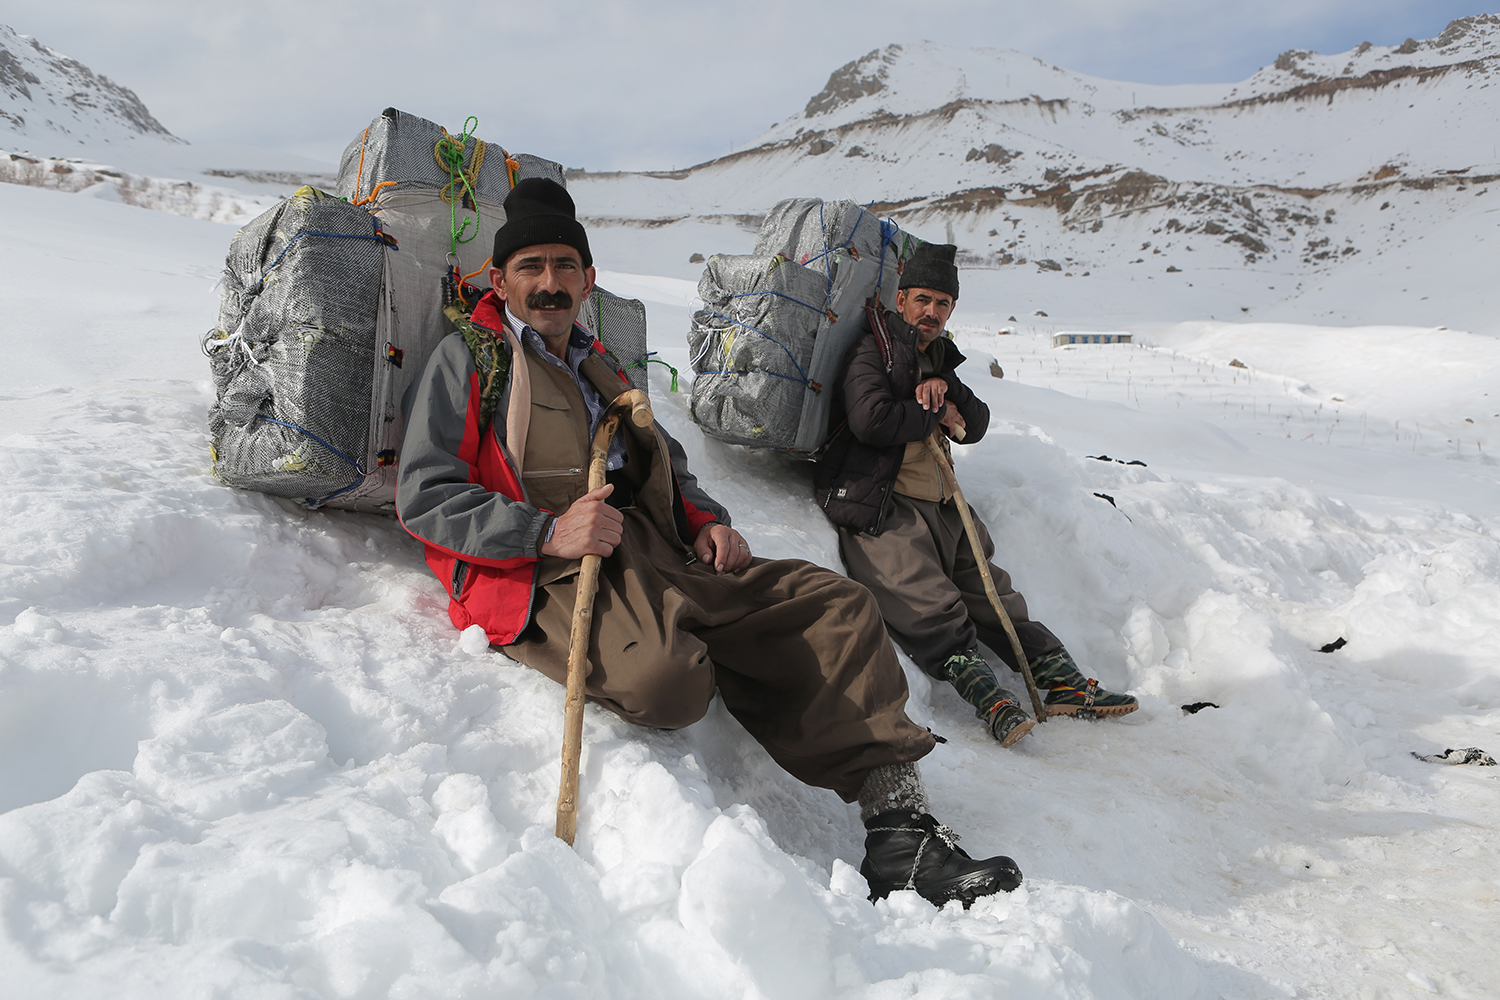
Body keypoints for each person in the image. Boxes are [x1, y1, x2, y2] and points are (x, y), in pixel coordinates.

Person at [396, 178, 1020, 906]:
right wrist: (545, 531)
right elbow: (426, 494)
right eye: (530, 267)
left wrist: (706, 521)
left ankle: (902, 834)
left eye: (565, 266)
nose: (550, 283)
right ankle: (725, 653)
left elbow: (666, 464)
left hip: (656, 552)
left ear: (588, 279)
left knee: (837, 608)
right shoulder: (472, 360)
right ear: (500, 279)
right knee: (669, 683)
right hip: (550, 573)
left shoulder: (602, 364)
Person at [814, 242, 1138, 747]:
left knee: (996, 596)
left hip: (945, 504)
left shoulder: (936, 358)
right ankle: (992, 701)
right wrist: (933, 414)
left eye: (943, 304)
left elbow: (979, 423)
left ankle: (1063, 685)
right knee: (931, 606)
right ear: (901, 300)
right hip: (885, 505)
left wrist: (947, 387)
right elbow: (870, 420)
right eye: (923, 300)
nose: (931, 312)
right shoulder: (872, 349)